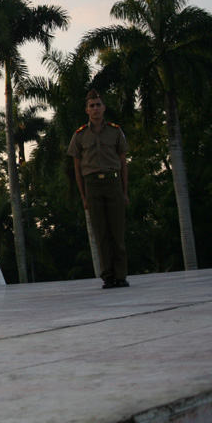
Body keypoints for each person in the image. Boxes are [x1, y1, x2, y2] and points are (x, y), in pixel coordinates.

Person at [67, 90, 131, 289]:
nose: (95, 108)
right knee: (101, 233)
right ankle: (108, 277)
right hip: (92, 184)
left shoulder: (115, 131)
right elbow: (77, 169)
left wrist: (124, 191)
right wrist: (84, 196)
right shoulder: (79, 135)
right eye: (91, 105)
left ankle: (121, 276)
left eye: (98, 104)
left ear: (104, 107)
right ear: (87, 110)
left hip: (113, 183)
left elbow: (123, 163)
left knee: (117, 233)